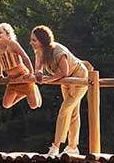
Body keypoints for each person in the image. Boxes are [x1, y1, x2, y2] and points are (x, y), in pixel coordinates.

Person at [29, 25, 91, 156]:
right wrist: (39, 73)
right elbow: (38, 67)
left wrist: (48, 80)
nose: (31, 42)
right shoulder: (39, 51)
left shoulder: (57, 51)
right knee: (73, 112)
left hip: (78, 78)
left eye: (34, 40)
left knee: (65, 110)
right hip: (65, 81)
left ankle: (56, 146)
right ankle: (73, 147)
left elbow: (64, 71)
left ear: (42, 41)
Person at [0, 23, 41, 109]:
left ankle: (31, 89)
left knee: (34, 106)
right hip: (11, 78)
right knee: (6, 104)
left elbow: (25, 57)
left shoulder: (13, 44)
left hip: (22, 75)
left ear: (8, 34)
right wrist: (0, 73)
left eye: (0, 33)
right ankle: (23, 94)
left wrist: (31, 73)